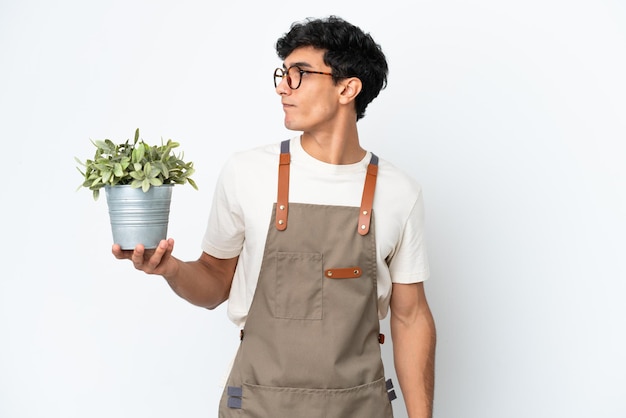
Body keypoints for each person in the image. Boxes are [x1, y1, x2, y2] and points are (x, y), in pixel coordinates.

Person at [113, 15, 436, 418]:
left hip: (360, 408)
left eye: (300, 74)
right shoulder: (246, 172)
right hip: (257, 406)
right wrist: (171, 269)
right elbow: (215, 283)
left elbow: (411, 317)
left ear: (348, 88)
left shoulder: (398, 192)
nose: (283, 86)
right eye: (282, 74)